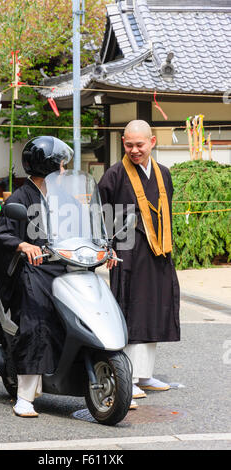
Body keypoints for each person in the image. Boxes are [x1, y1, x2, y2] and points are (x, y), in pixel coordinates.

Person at [98, 120, 180, 408]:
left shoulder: (163, 173)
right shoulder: (114, 175)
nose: (134, 150)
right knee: (131, 311)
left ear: (152, 142)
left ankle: (145, 375)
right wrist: (106, 247)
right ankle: (127, 379)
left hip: (158, 251)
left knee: (154, 310)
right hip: (128, 253)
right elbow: (101, 214)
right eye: (129, 145)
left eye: (140, 145)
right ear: (123, 142)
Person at [0, 136, 73, 418]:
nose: (65, 172)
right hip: (31, 270)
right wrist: (23, 245)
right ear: (49, 167)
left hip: (62, 267)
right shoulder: (19, 199)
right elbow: (3, 232)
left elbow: (79, 228)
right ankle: (25, 396)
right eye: (62, 166)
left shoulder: (63, 198)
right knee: (36, 321)